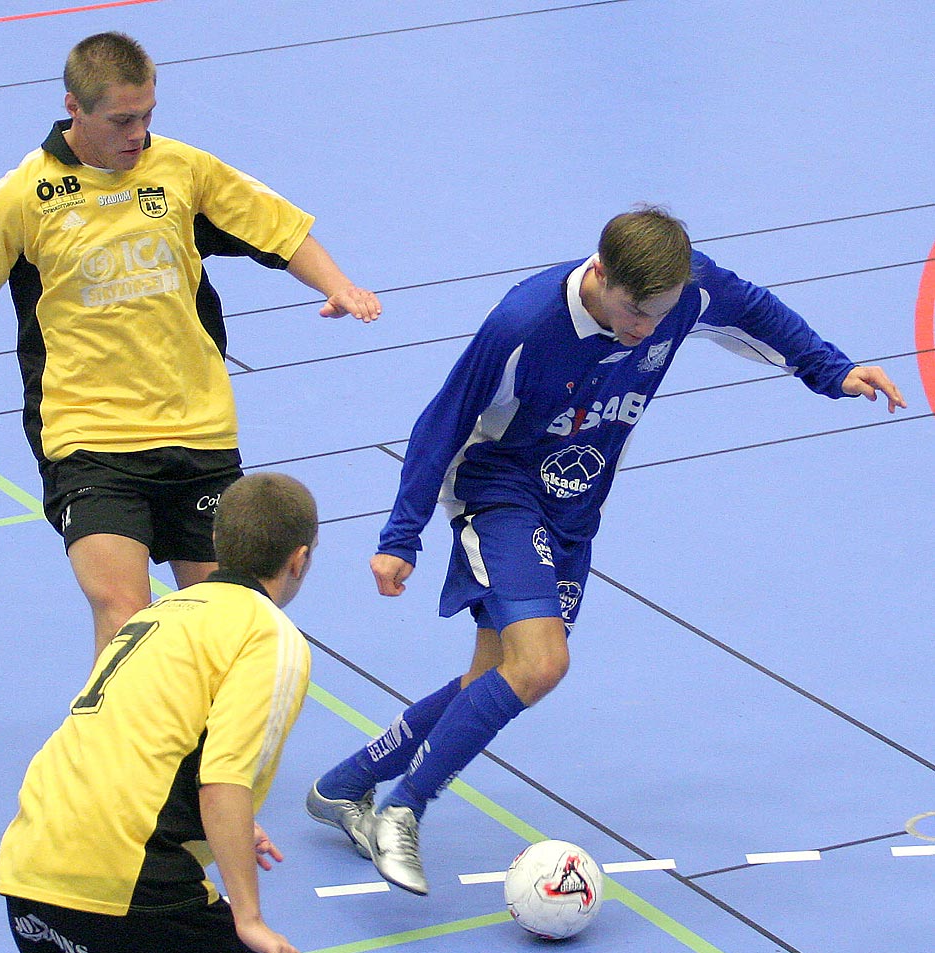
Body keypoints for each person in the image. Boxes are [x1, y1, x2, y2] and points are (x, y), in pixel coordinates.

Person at [305, 206, 907, 896]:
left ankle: (345, 784)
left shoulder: (687, 289)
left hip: (574, 505)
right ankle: (403, 808)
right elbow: (441, 420)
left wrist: (833, 371)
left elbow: (758, 313)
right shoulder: (524, 324)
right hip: (496, 487)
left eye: (660, 315)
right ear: (598, 275)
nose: (645, 329)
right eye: (633, 312)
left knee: (495, 677)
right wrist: (399, 535)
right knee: (542, 662)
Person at [0, 31, 381, 660]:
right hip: (89, 438)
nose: (137, 134)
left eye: (147, 116)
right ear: (73, 108)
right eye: (121, 120)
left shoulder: (183, 170)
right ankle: (113, 755)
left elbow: (280, 228)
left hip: (200, 434)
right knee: (123, 612)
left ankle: (196, 757)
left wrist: (339, 285)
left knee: (224, 623)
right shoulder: (22, 197)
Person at [0, 472, 317, 953]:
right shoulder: (269, 635)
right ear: (299, 559)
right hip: (126, 892)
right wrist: (250, 919)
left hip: (28, 876)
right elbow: (224, 781)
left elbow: (129, 739)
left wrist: (216, 825)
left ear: (217, 541)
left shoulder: (160, 616)